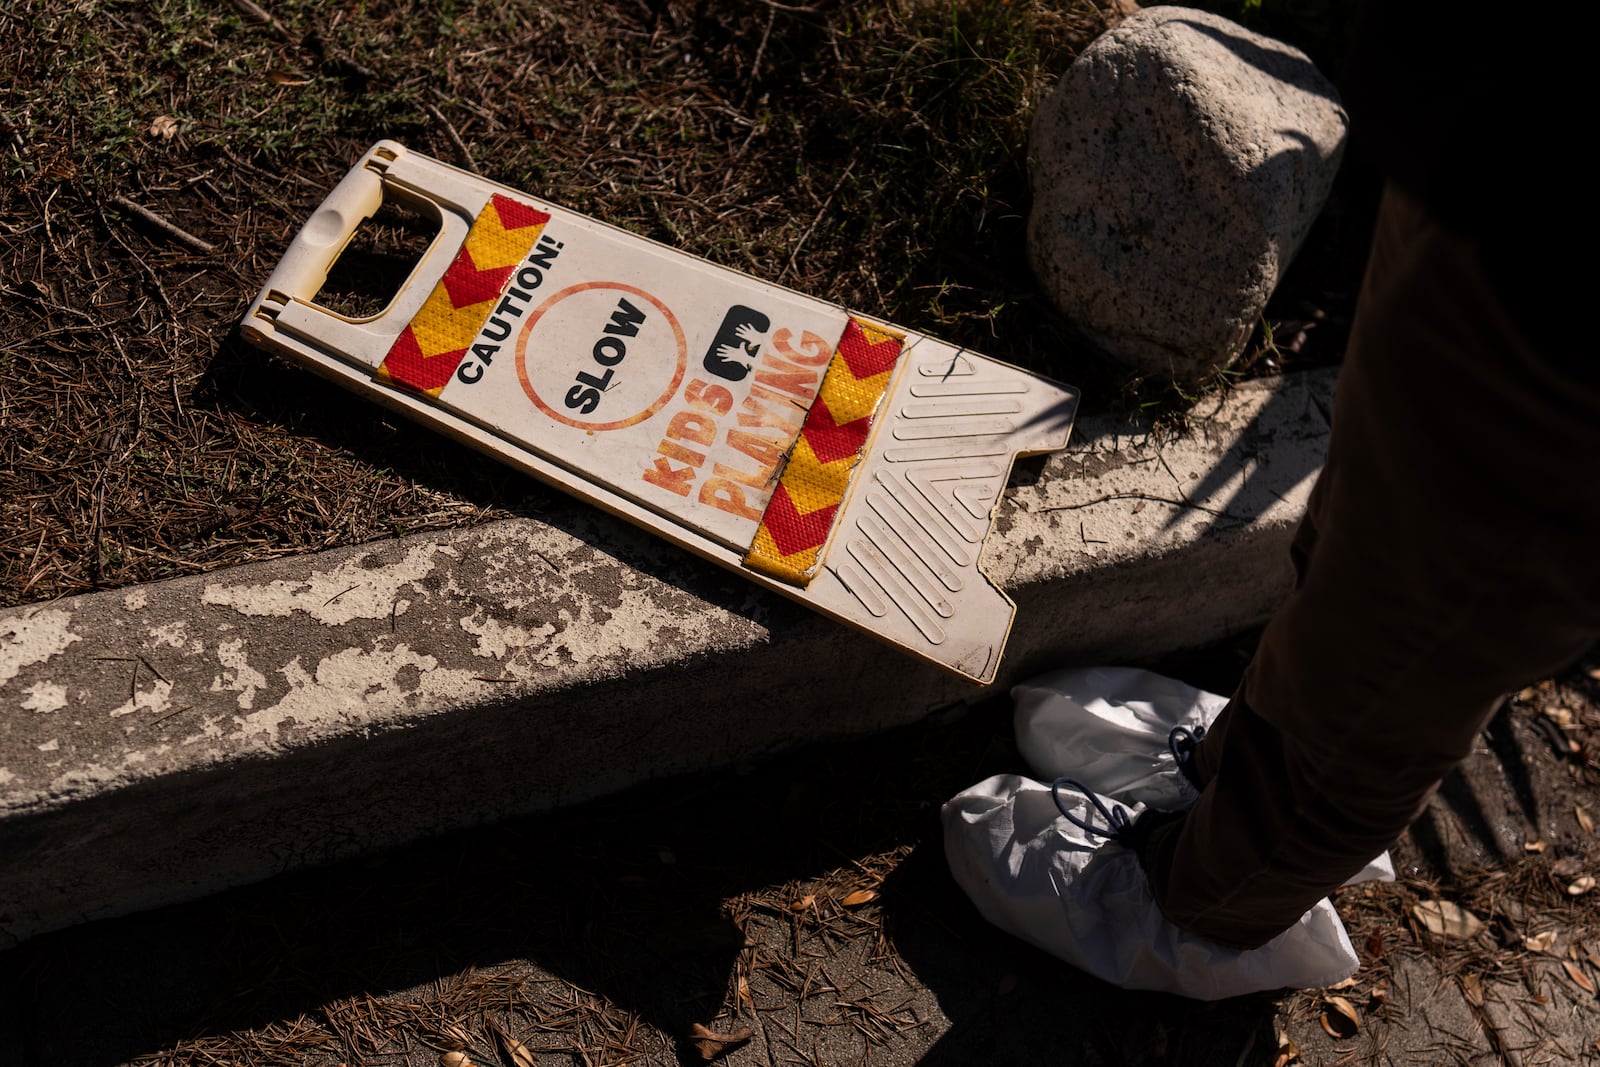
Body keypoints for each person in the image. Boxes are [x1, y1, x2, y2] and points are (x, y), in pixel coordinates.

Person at [942, 2, 1597, 998]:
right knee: (1360, 542)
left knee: (1406, 648)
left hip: (1570, 324)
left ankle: (1202, 907)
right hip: (1507, 152)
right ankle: (1229, 774)